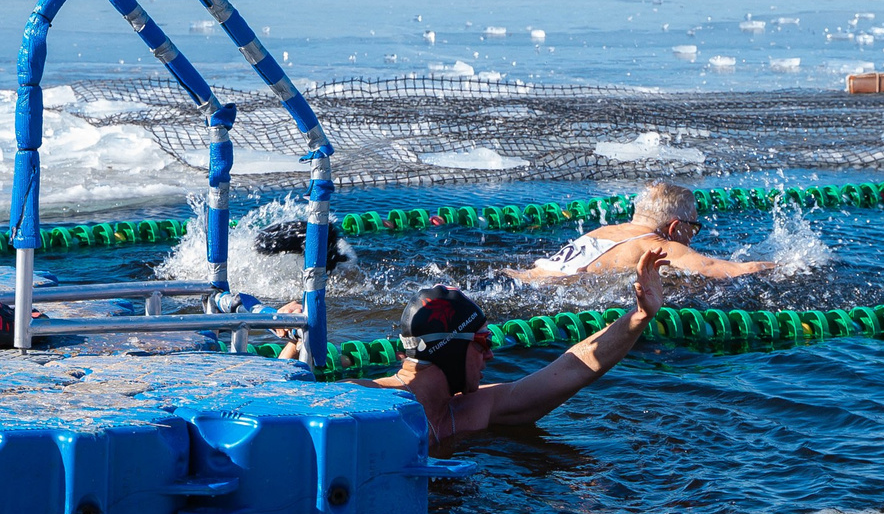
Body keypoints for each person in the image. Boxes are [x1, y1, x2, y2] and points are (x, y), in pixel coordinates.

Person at [287, 247, 667, 450]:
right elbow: (283, 405)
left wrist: (639, 316)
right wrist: (290, 342)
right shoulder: (366, 398)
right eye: (482, 343)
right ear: (450, 348)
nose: (490, 356)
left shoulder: (474, 408)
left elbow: (571, 368)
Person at [511, 180, 772, 280]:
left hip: (521, 277)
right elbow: (729, 271)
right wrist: (794, 267)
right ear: (674, 226)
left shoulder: (604, 230)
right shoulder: (660, 245)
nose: (694, 234)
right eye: (694, 226)